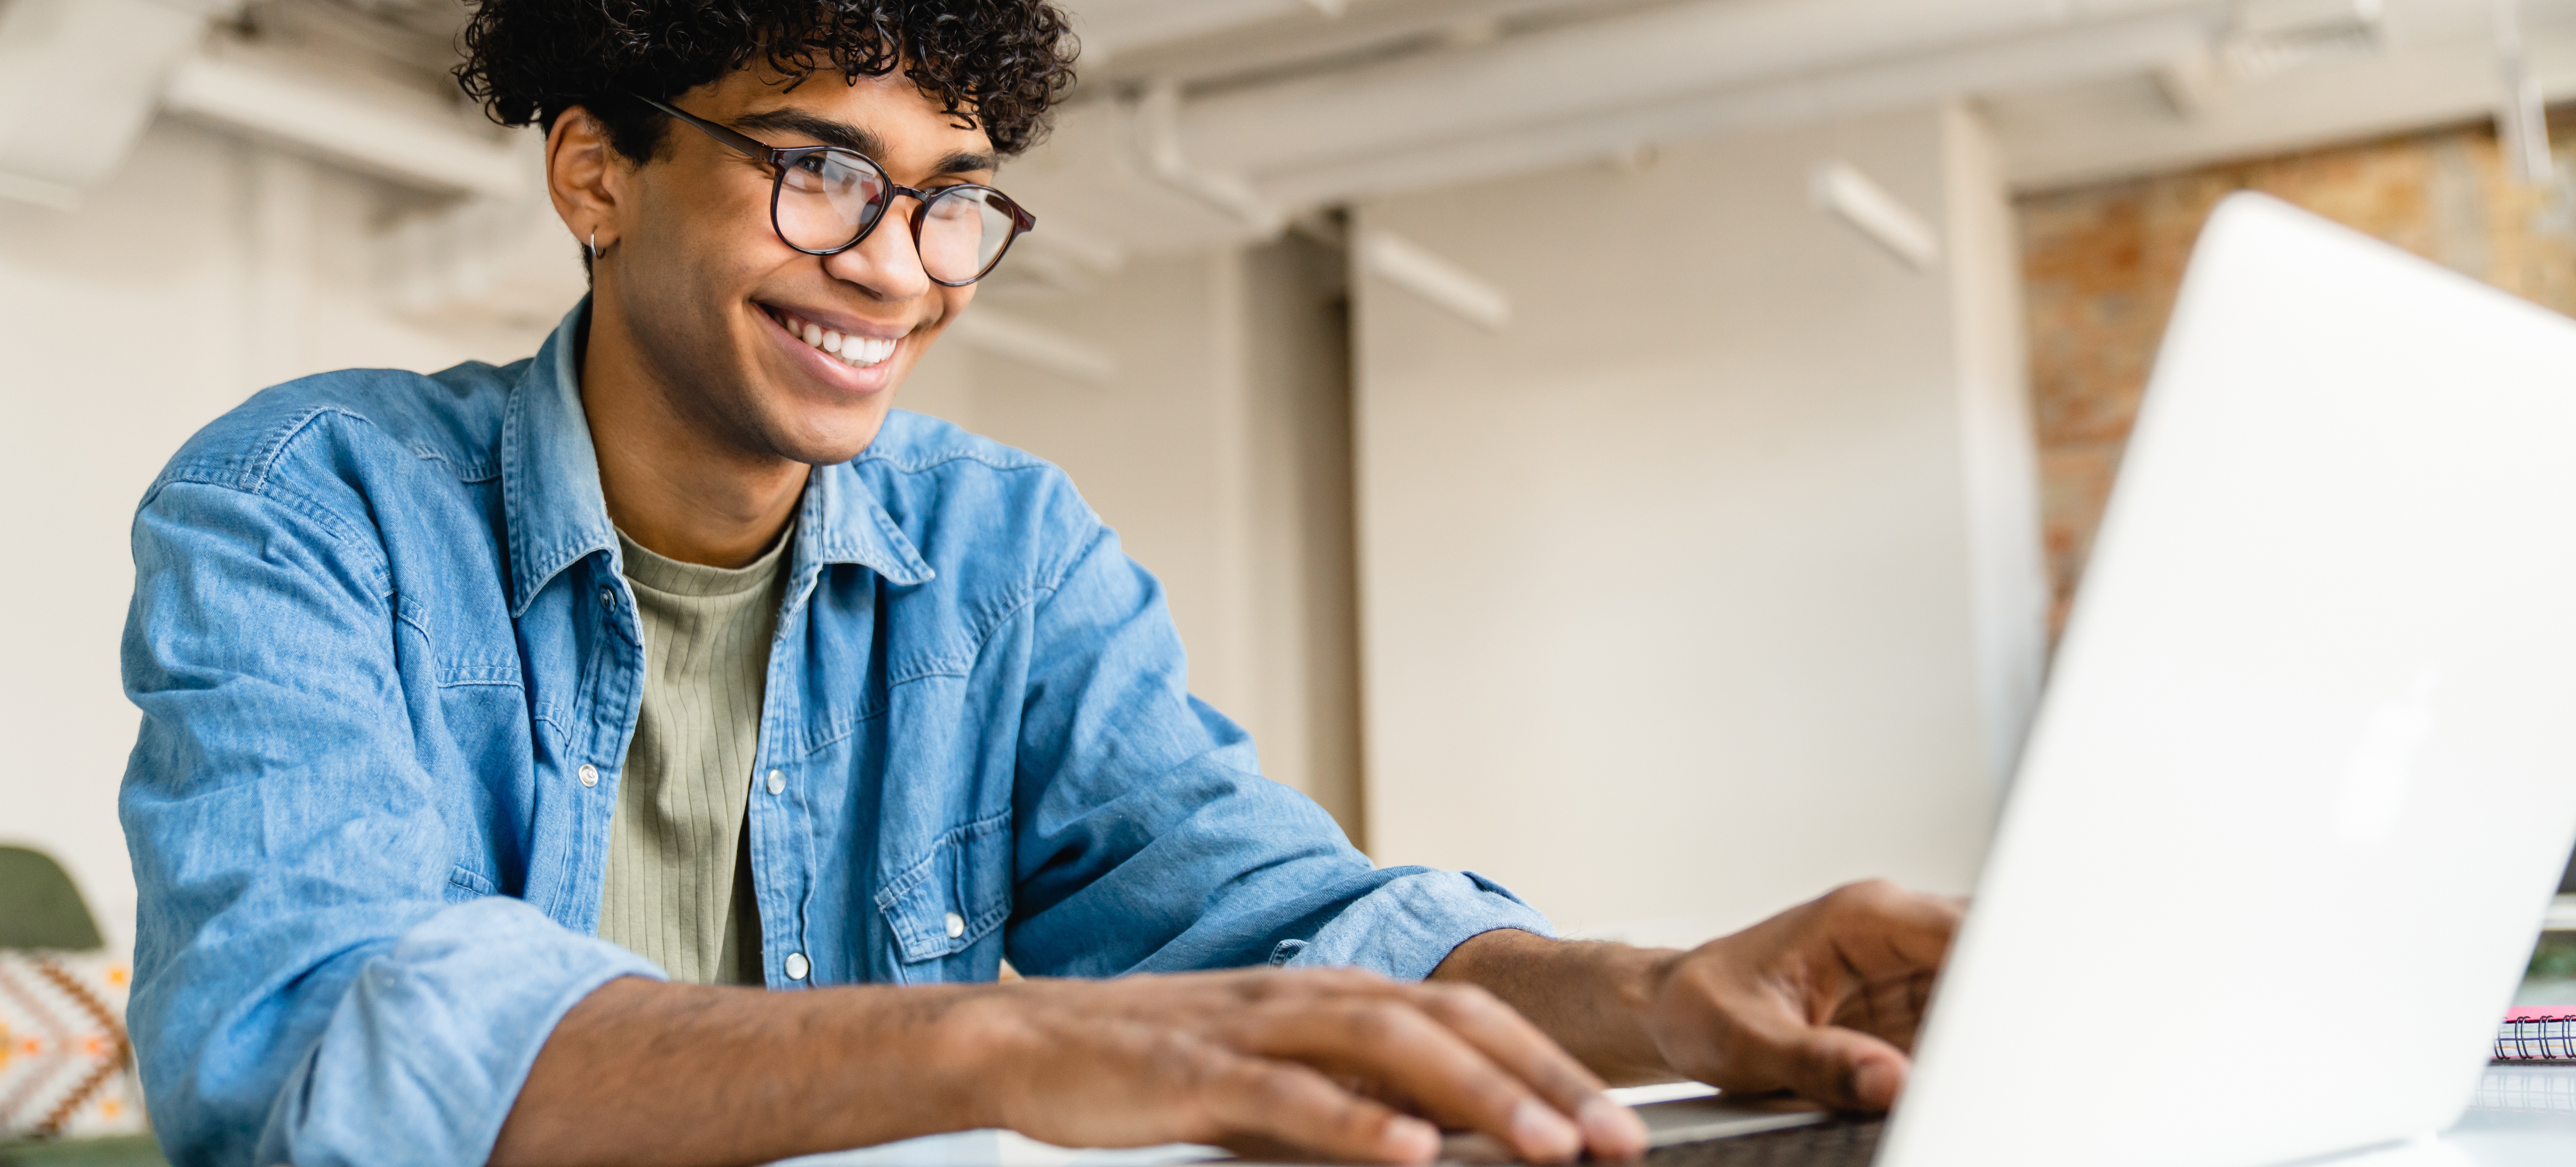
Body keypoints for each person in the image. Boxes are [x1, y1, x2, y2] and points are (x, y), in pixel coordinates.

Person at [116, 3, 1963, 1164]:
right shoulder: (311, 502)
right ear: (596, 173)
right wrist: (1003, 1040)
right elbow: (315, 1046)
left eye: (949, 195)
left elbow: (1271, 915)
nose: (898, 269)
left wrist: (1663, 994)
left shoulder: (1005, 550)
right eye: (820, 171)